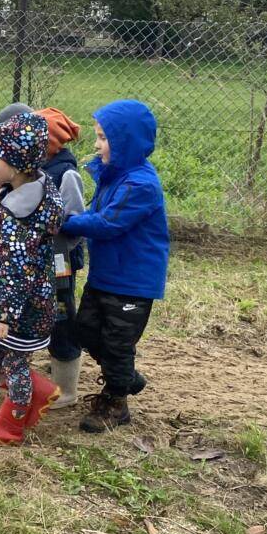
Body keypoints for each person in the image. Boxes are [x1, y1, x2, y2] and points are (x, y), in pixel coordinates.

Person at [0, 107, 86, 402]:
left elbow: (74, 223)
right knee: (6, 326)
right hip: (21, 270)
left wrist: (44, 243)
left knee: (61, 325)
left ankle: (65, 389)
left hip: (56, 268)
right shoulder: (15, 177)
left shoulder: (62, 175)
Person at [60, 99, 170, 433]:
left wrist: (63, 223)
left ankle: (116, 402)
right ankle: (126, 375)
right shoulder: (114, 176)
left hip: (132, 281)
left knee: (117, 343)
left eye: (104, 138)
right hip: (106, 274)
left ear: (126, 142)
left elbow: (108, 223)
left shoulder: (140, 185)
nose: (96, 145)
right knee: (86, 330)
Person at [0, 111, 66, 446]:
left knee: (14, 360)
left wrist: (3, 315)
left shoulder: (19, 218)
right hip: (10, 297)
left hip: (21, 305)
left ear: (18, 163)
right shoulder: (25, 188)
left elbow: (17, 269)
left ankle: (11, 424)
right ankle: (37, 389)